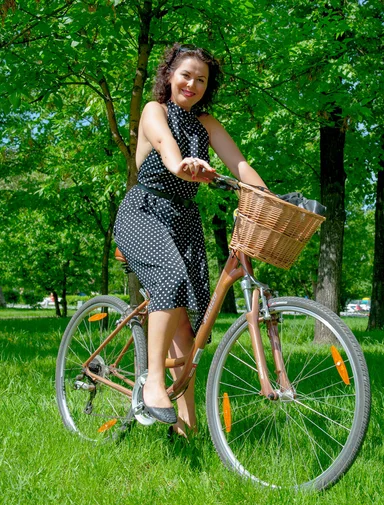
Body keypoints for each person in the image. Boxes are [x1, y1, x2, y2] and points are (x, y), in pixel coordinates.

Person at [114, 43, 266, 438]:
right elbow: (167, 149)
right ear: (169, 76)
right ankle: (152, 384)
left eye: (201, 79)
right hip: (145, 210)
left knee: (188, 327)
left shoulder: (208, 124)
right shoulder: (154, 111)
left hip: (183, 220)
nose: (192, 84)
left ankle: (188, 429)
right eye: (185, 75)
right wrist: (182, 164)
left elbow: (241, 166)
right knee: (169, 278)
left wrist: (270, 199)